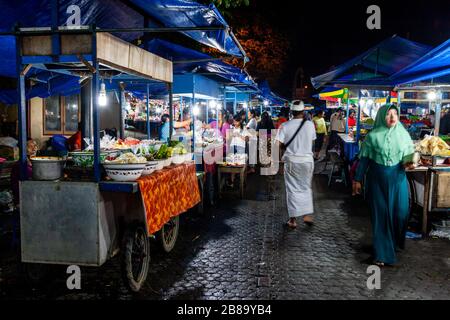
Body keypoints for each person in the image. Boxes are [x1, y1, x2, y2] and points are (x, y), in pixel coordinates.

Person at [352, 104, 416, 267]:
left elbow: (409, 157)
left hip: (398, 179)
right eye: (388, 114)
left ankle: (393, 242)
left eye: (395, 113)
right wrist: (357, 180)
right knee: (381, 216)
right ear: (381, 116)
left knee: (401, 213)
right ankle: (382, 253)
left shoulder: (404, 134)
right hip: (376, 181)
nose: (393, 117)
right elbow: (364, 160)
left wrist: (410, 163)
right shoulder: (372, 136)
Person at [275, 100, 316, 228]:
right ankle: (307, 215)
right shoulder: (310, 125)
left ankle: (292, 220)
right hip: (307, 161)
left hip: (292, 161)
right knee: (305, 187)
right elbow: (313, 142)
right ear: (303, 111)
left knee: (292, 190)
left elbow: (277, 144)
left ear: (291, 112)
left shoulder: (285, 125)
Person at [227, 114, 249, 187]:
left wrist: (239, 135)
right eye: (234, 121)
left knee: (241, 166)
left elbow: (247, 139)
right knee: (232, 165)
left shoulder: (244, 129)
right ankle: (232, 182)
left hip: (241, 148)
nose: (235, 123)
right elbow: (228, 139)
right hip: (232, 147)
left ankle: (242, 182)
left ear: (240, 121)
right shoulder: (232, 128)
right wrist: (230, 136)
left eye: (236, 122)